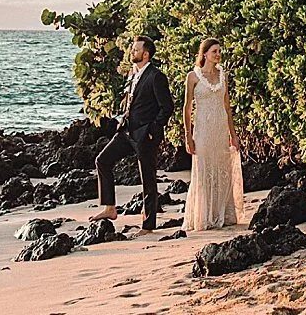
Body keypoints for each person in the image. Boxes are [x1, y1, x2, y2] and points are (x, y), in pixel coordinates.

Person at [91, 35, 174, 231]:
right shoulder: (133, 73)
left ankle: (148, 225)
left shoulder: (156, 76)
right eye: (132, 49)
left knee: (148, 179)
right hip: (127, 131)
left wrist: (153, 130)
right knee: (102, 160)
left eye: (136, 50)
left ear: (146, 54)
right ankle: (110, 208)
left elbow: (167, 107)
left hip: (145, 135)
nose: (132, 52)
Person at [182, 37, 244, 231]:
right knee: (204, 171)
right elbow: (187, 108)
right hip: (202, 131)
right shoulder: (193, 76)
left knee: (222, 169)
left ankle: (222, 214)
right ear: (205, 54)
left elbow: (227, 106)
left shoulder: (223, 75)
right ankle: (204, 216)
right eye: (214, 51)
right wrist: (188, 136)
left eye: (219, 51)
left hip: (220, 129)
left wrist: (233, 134)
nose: (218, 54)